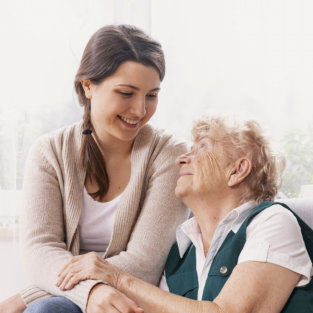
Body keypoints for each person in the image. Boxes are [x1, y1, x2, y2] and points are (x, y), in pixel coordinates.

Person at [0, 25, 189, 313]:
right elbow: (39, 250)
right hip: (66, 300)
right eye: (126, 93)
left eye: (151, 95)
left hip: (134, 299)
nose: (140, 110)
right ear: (88, 86)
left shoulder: (168, 154)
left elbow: (146, 262)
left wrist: (26, 295)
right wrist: (91, 291)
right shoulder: (49, 151)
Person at [55, 114, 313, 313]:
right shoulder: (180, 254)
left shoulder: (272, 222)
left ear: (238, 170)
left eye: (202, 147)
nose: (182, 159)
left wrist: (115, 276)